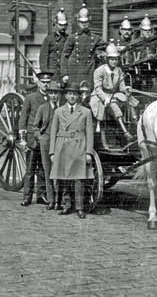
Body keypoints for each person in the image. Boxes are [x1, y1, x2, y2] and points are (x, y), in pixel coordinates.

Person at [49, 82, 94, 219]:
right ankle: (66, 205)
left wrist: (88, 153)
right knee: (64, 178)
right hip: (62, 146)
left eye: (75, 94)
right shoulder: (58, 112)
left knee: (79, 179)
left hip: (79, 146)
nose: (72, 96)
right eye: (70, 94)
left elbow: (89, 133)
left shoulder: (86, 112)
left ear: (79, 96)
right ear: (66, 96)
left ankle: (80, 208)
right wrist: (52, 152)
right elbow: (53, 132)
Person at [90, 42, 138, 142]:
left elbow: (121, 87)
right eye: (111, 59)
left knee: (131, 99)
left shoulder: (119, 70)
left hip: (113, 94)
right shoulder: (99, 71)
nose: (114, 61)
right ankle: (126, 133)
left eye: (116, 59)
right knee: (113, 104)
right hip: (100, 95)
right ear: (107, 59)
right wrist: (105, 98)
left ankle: (136, 124)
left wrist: (127, 90)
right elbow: (97, 88)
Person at [20, 71, 54, 206]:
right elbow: (23, 118)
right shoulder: (31, 97)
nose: (45, 85)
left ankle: (41, 195)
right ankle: (27, 196)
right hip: (33, 138)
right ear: (38, 83)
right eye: (43, 82)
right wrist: (22, 138)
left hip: (45, 139)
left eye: (48, 83)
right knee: (30, 169)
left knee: (43, 169)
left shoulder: (53, 98)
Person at [60, 4, 106, 87]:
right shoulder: (72, 37)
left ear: (89, 22)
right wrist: (64, 74)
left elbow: (105, 46)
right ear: (78, 22)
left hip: (89, 71)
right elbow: (64, 56)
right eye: (82, 22)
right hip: (74, 71)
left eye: (86, 22)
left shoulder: (95, 38)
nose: (84, 24)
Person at [32, 81, 61, 211]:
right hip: (46, 141)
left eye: (56, 93)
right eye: (51, 93)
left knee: (60, 172)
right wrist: (41, 138)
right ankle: (51, 200)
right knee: (48, 171)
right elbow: (35, 127)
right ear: (48, 94)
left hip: (60, 142)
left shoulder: (63, 108)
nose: (54, 96)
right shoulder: (42, 108)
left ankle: (59, 201)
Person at [39, 8, 69, 79]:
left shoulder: (69, 39)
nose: (63, 27)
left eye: (65, 25)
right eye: (60, 25)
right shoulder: (49, 39)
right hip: (51, 74)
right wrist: (46, 74)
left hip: (64, 75)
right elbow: (43, 58)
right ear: (55, 24)